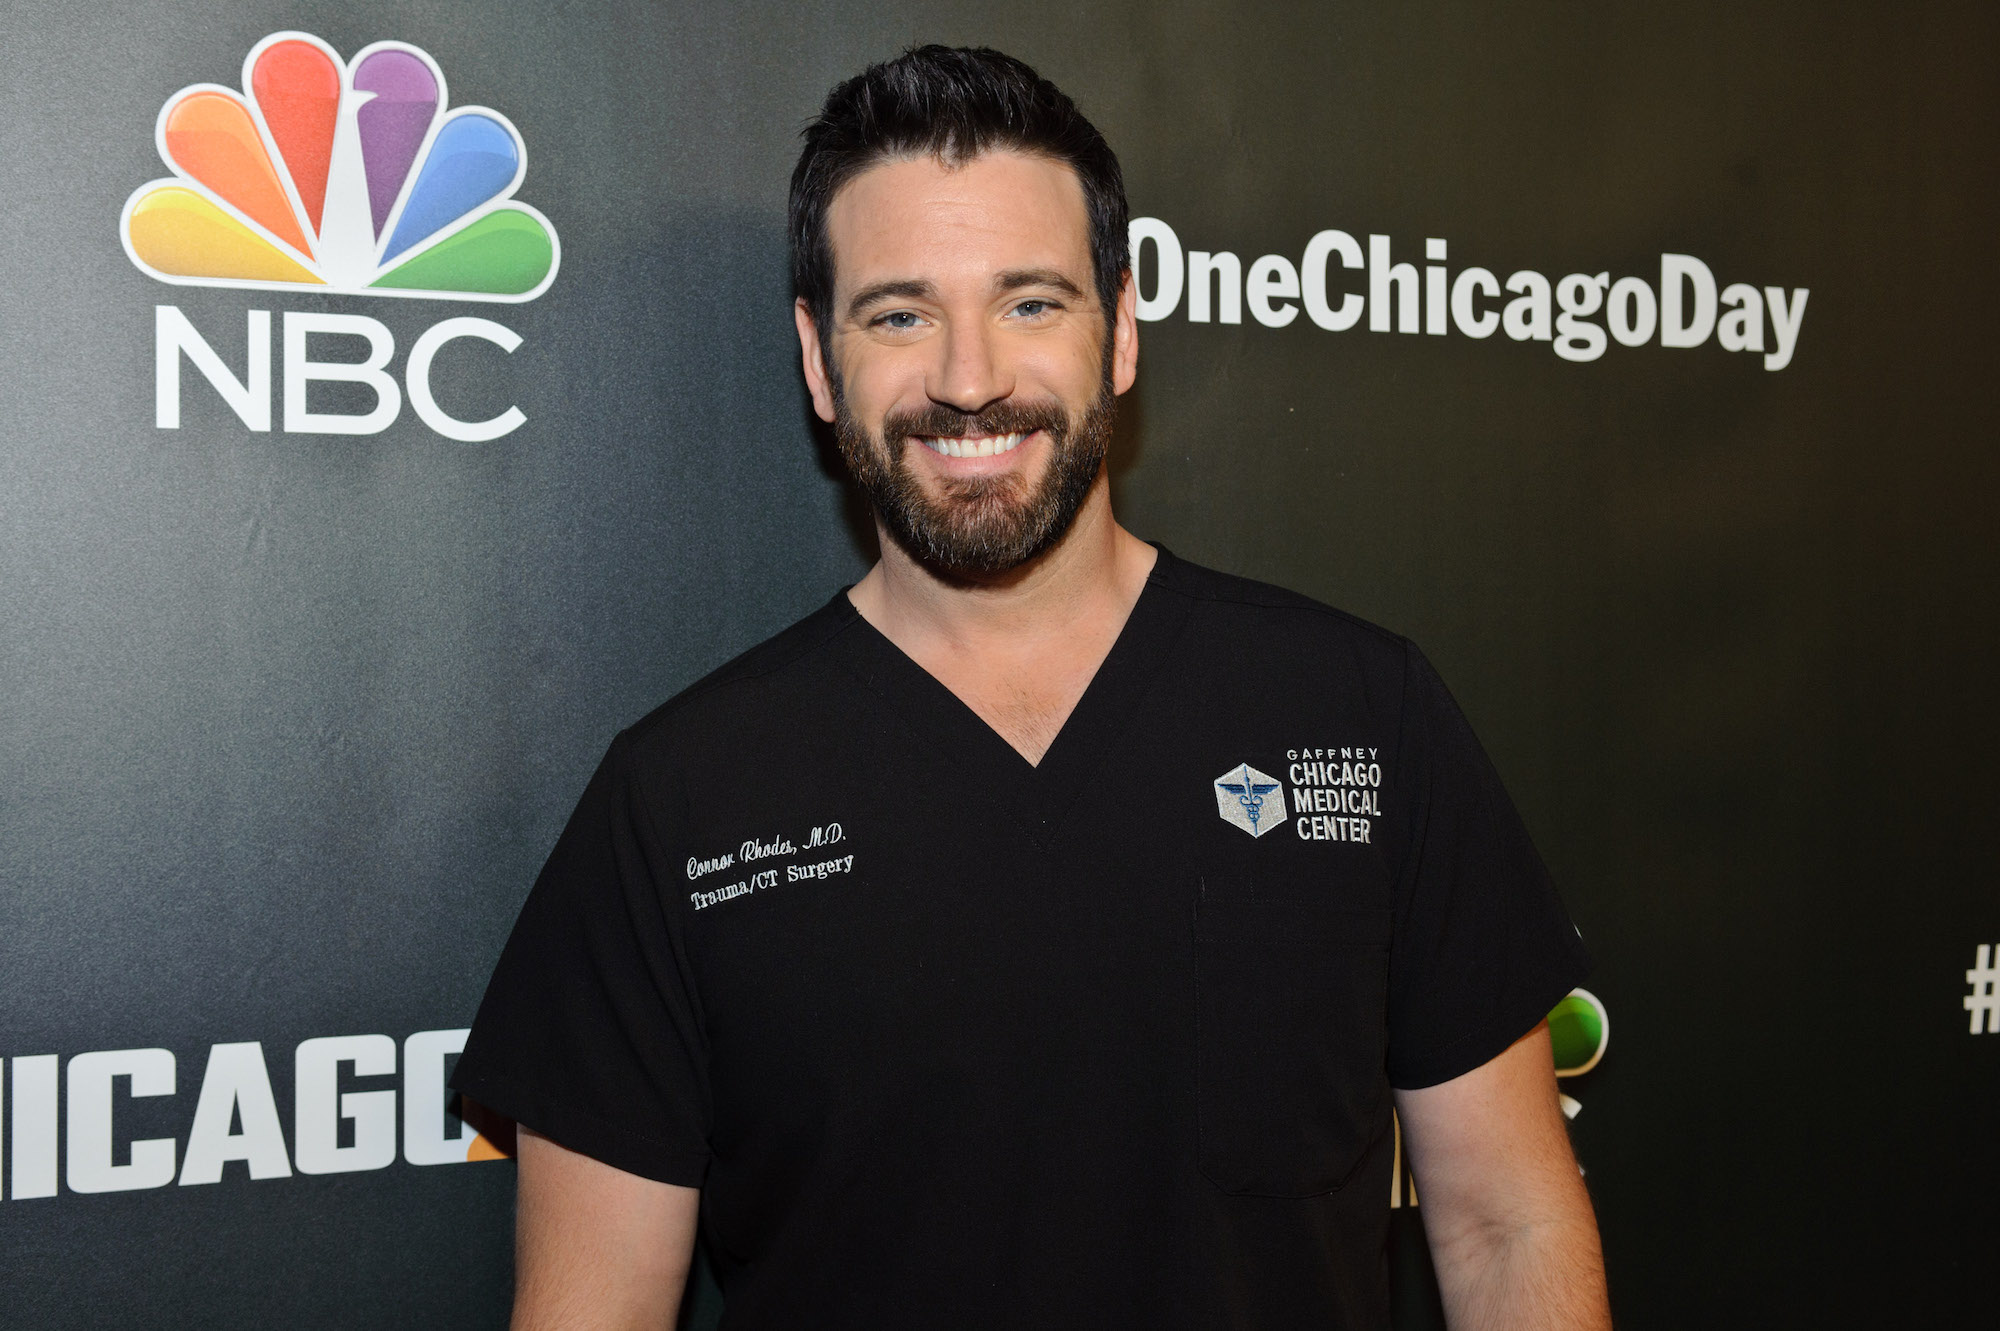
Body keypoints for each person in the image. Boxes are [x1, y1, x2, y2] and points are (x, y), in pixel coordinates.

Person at [453, 44, 1611, 1330]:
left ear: (1119, 331)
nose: (967, 377)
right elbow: (592, 1308)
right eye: (898, 313)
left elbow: (1508, 1224)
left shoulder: (1358, 711)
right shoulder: (677, 799)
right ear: (817, 360)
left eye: (1030, 302)